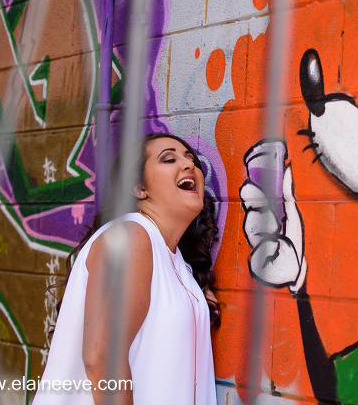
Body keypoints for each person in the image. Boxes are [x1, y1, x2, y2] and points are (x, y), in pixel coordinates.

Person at [34, 133, 220, 405]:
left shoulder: (179, 266)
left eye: (191, 159)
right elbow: (101, 357)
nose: (189, 165)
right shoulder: (131, 235)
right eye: (169, 159)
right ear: (139, 188)